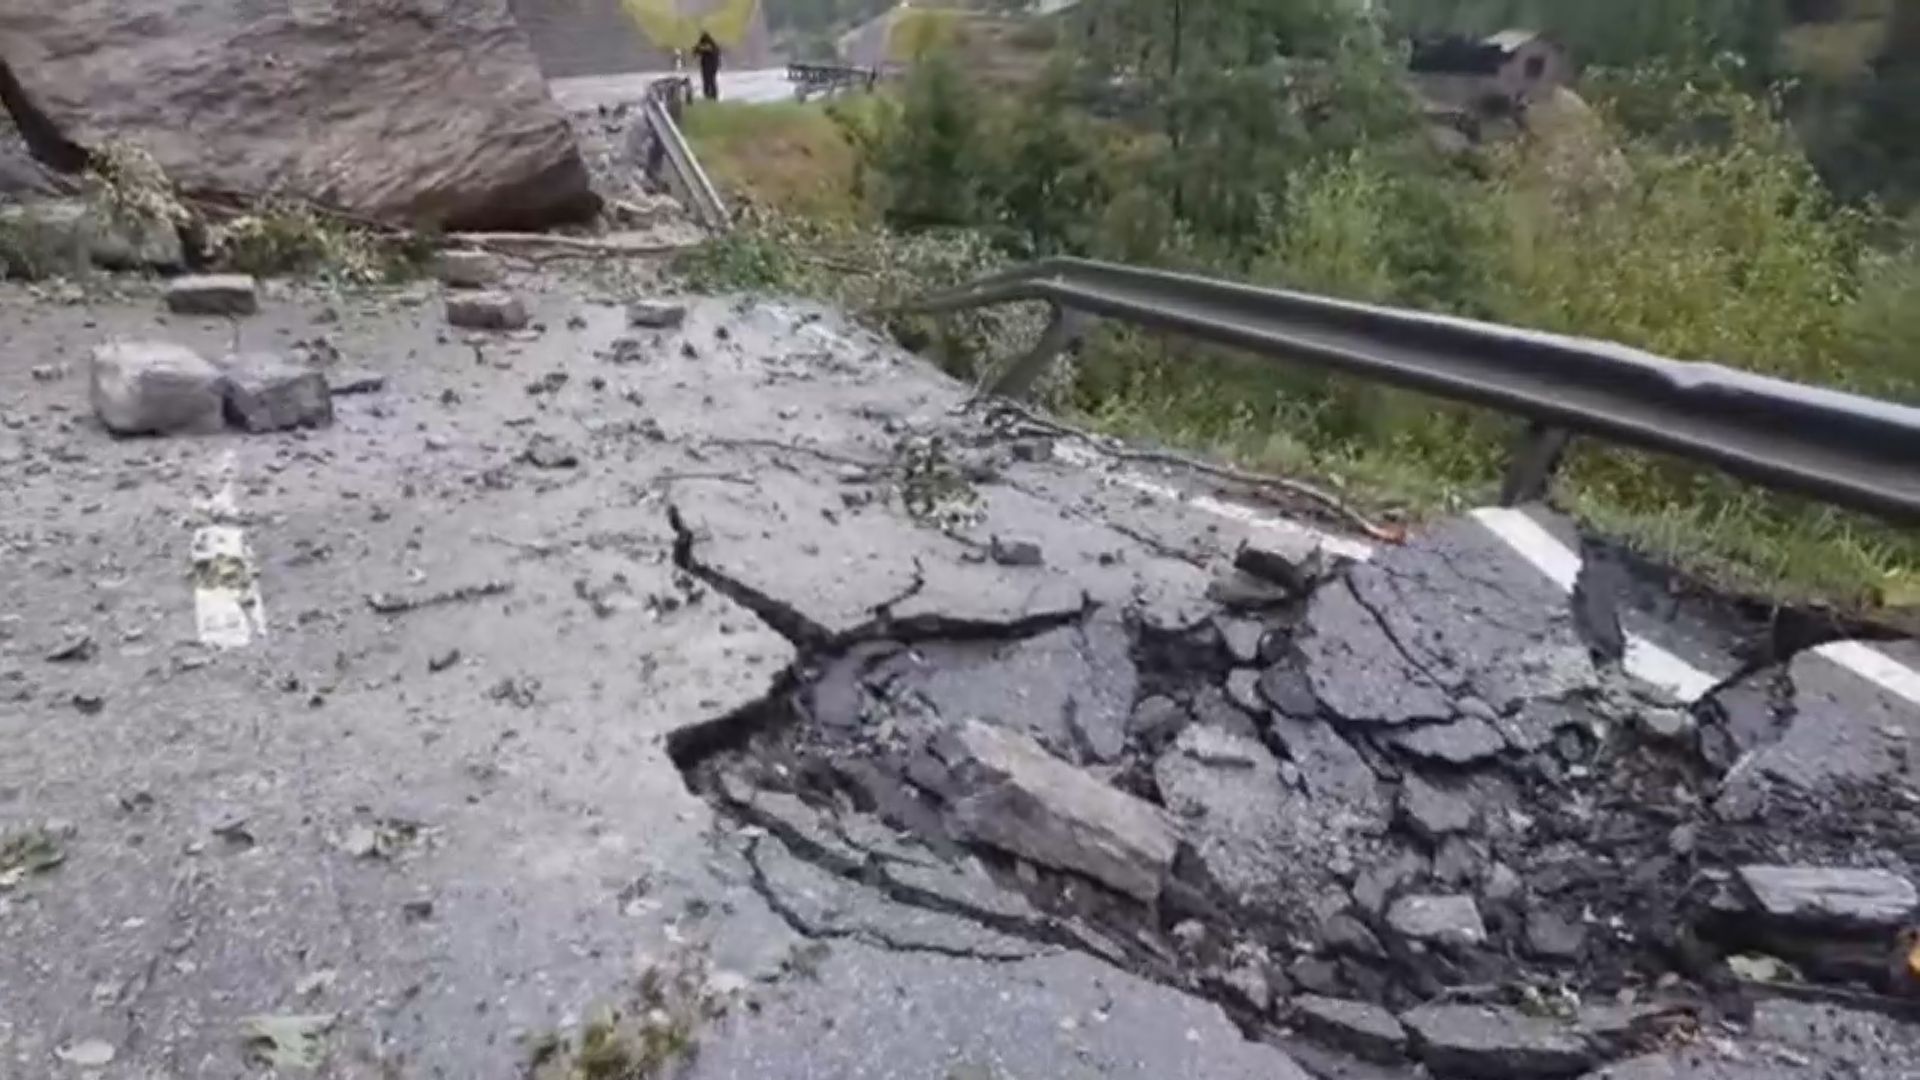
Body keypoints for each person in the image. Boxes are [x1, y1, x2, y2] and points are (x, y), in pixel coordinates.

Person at [694, 31, 721, 101]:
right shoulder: (713, 45)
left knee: (709, 81)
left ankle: (710, 95)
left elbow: (705, 49)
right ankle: (710, 96)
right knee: (710, 81)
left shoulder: (710, 46)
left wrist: (699, 49)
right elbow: (697, 50)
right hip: (710, 66)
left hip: (709, 66)